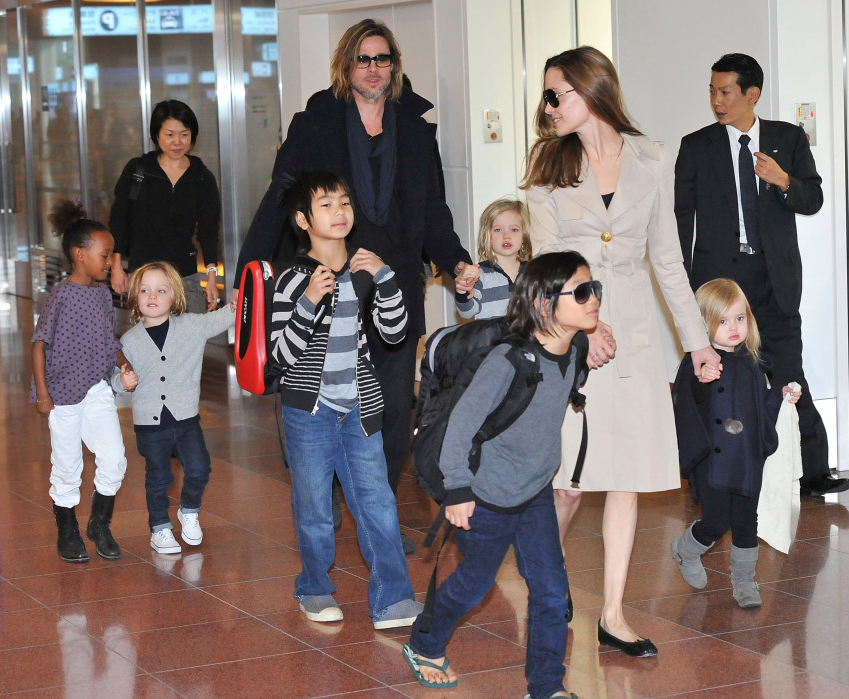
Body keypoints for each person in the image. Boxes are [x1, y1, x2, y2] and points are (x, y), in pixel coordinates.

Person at [233, 19, 479, 552]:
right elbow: (280, 199)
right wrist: (248, 275)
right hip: (330, 289)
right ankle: (333, 501)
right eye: (364, 59)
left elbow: (433, 209)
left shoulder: (416, 130)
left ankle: (379, 514)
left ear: (395, 65)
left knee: (391, 407)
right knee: (328, 405)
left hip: (393, 288)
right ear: (347, 67)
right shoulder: (315, 123)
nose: (374, 68)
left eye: (383, 59)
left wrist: (455, 261)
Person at [522, 46, 722, 658]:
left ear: (591, 91)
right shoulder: (547, 170)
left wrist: (697, 344)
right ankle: (547, 593)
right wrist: (586, 327)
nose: (548, 107)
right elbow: (547, 268)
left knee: (627, 479)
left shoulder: (651, 158)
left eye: (558, 94)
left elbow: (666, 258)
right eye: (547, 96)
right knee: (569, 482)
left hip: (633, 336)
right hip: (570, 336)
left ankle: (612, 612)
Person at [402, 251, 596, 698]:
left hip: (534, 494)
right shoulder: (507, 361)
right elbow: (461, 426)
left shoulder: (574, 350)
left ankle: (546, 686)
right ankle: (424, 642)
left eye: (594, 289)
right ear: (545, 305)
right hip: (484, 495)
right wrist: (456, 491)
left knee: (551, 593)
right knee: (474, 586)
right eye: (582, 292)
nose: (593, 300)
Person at [674, 53, 849, 499]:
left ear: (752, 94)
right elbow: (680, 216)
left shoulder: (787, 138)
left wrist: (784, 180)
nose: (716, 100)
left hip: (774, 276)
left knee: (790, 369)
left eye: (725, 91)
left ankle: (813, 472)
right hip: (719, 284)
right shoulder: (696, 146)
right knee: (713, 377)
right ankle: (704, 472)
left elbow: (813, 199)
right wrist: (683, 281)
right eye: (712, 91)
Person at [269, 170, 422, 630]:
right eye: (325, 205)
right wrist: (310, 301)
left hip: (358, 407)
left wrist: (386, 277)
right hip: (309, 412)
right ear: (302, 220)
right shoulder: (293, 278)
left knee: (377, 502)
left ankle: (393, 599)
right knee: (315, 507)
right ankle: (314, 589)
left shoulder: (363, 270)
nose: (339, 212)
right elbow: (280, 355)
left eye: (344, 202)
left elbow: (395, 334)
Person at [670, 279, 801, 609]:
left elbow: (759, 409)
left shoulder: (752, 363)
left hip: (746, 459)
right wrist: (702, 381)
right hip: (712, 461)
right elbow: (688, 402)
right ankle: (685, 550)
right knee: (716, 522)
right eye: (723, 321)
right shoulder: (697, 364)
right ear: (703, 325)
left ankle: (744, 581)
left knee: (746, 521)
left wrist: (781, 397)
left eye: (739, 318)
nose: (733, 328)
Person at [31, 200, 132, 564]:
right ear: (79, 254)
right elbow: (39, 344)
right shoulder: (62, 295)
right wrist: (43, 394)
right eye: (105, 255)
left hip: (96, 390)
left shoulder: (103, 295)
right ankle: (67, 529)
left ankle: (99, 524)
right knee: (68, 465)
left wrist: (124, 365)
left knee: (115, 459)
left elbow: (109, 340)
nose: (109, 262)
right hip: (62, 396)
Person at [114, 261, 234, 554]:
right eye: (144, 290)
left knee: (199, 468)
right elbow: (114, 379)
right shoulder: (129, 341)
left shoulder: (191, 326)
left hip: (186, 419)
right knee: (159, 477)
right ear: (135, 297)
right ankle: (160, 528)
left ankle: (189, 511)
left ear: (175, 297)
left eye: (161, 290)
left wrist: (243, 296)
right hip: (149, 424)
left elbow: (225, 316)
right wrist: (123, 381)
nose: (152, 296)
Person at [109, 99, 221, 314]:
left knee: (189, 343)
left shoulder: (201, 177)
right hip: (143, 275)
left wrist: (211, 276)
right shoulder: (138, 170)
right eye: (169, 134)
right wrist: (116, 265)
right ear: (156, 136)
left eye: (184, 134)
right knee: (149, 343)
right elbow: (120, 218)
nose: (177, 142)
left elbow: (208, 230)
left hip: (184, 276)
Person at [455, 198, 531, 320]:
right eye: (498, 230)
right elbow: (467, 313)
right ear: (487, 237)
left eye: (514, 229)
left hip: (525, 338)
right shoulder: (480, 274)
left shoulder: (533, 271)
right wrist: (462, 290)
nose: (506, 235)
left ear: (524, 236)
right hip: (492, 338)